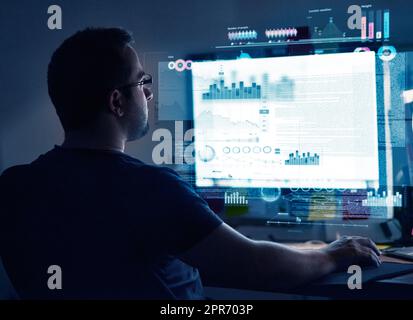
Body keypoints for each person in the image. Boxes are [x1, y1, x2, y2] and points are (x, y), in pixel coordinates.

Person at [0, 27, 381, 300]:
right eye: (141, 82)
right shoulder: (150, 189)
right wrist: (336, 253)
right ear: (117, 102)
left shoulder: (15, 186)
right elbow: (259, 267)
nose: (148, 92)